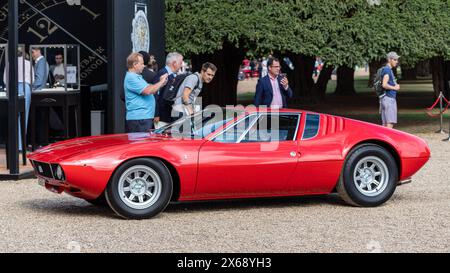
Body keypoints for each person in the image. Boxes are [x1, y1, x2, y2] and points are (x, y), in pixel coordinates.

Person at [124, 52, 168, 133]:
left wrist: (161, 84)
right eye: (142, 64)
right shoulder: (131, 77)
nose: (143, 66)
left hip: (142, 118)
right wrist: (161, 82)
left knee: (143, 143)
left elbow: (150, 89)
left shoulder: (136, 77)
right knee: (140, 144)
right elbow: (148, 91)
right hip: (139, 119)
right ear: (135, 64)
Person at [3, 47, 34, 151]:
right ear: (23, 53)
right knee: (24, 116)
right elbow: (32, 79)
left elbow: (5, 79)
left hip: (13, 88)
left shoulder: (9, 63)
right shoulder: (28, 63)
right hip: (25, 88)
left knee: (13, 116)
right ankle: (21, 146)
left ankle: (14, 145)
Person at [152, 52, 184, 127]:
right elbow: (155, 94)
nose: (181, 65)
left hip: (169, 114)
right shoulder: (162, 73)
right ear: (174, 63)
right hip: (162, 116)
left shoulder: (172, 75)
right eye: (180, 63)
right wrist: (156, 114)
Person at [380, 52, 401, 129]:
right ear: (389, 60)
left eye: (397, 60)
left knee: (385, 124)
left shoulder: (386, 69)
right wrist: (394, 88)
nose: (396, 61)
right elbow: (384, 84)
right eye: (394, 59)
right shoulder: (387, 70)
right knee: (389, 123)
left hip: (385, 98)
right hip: (389, 99)